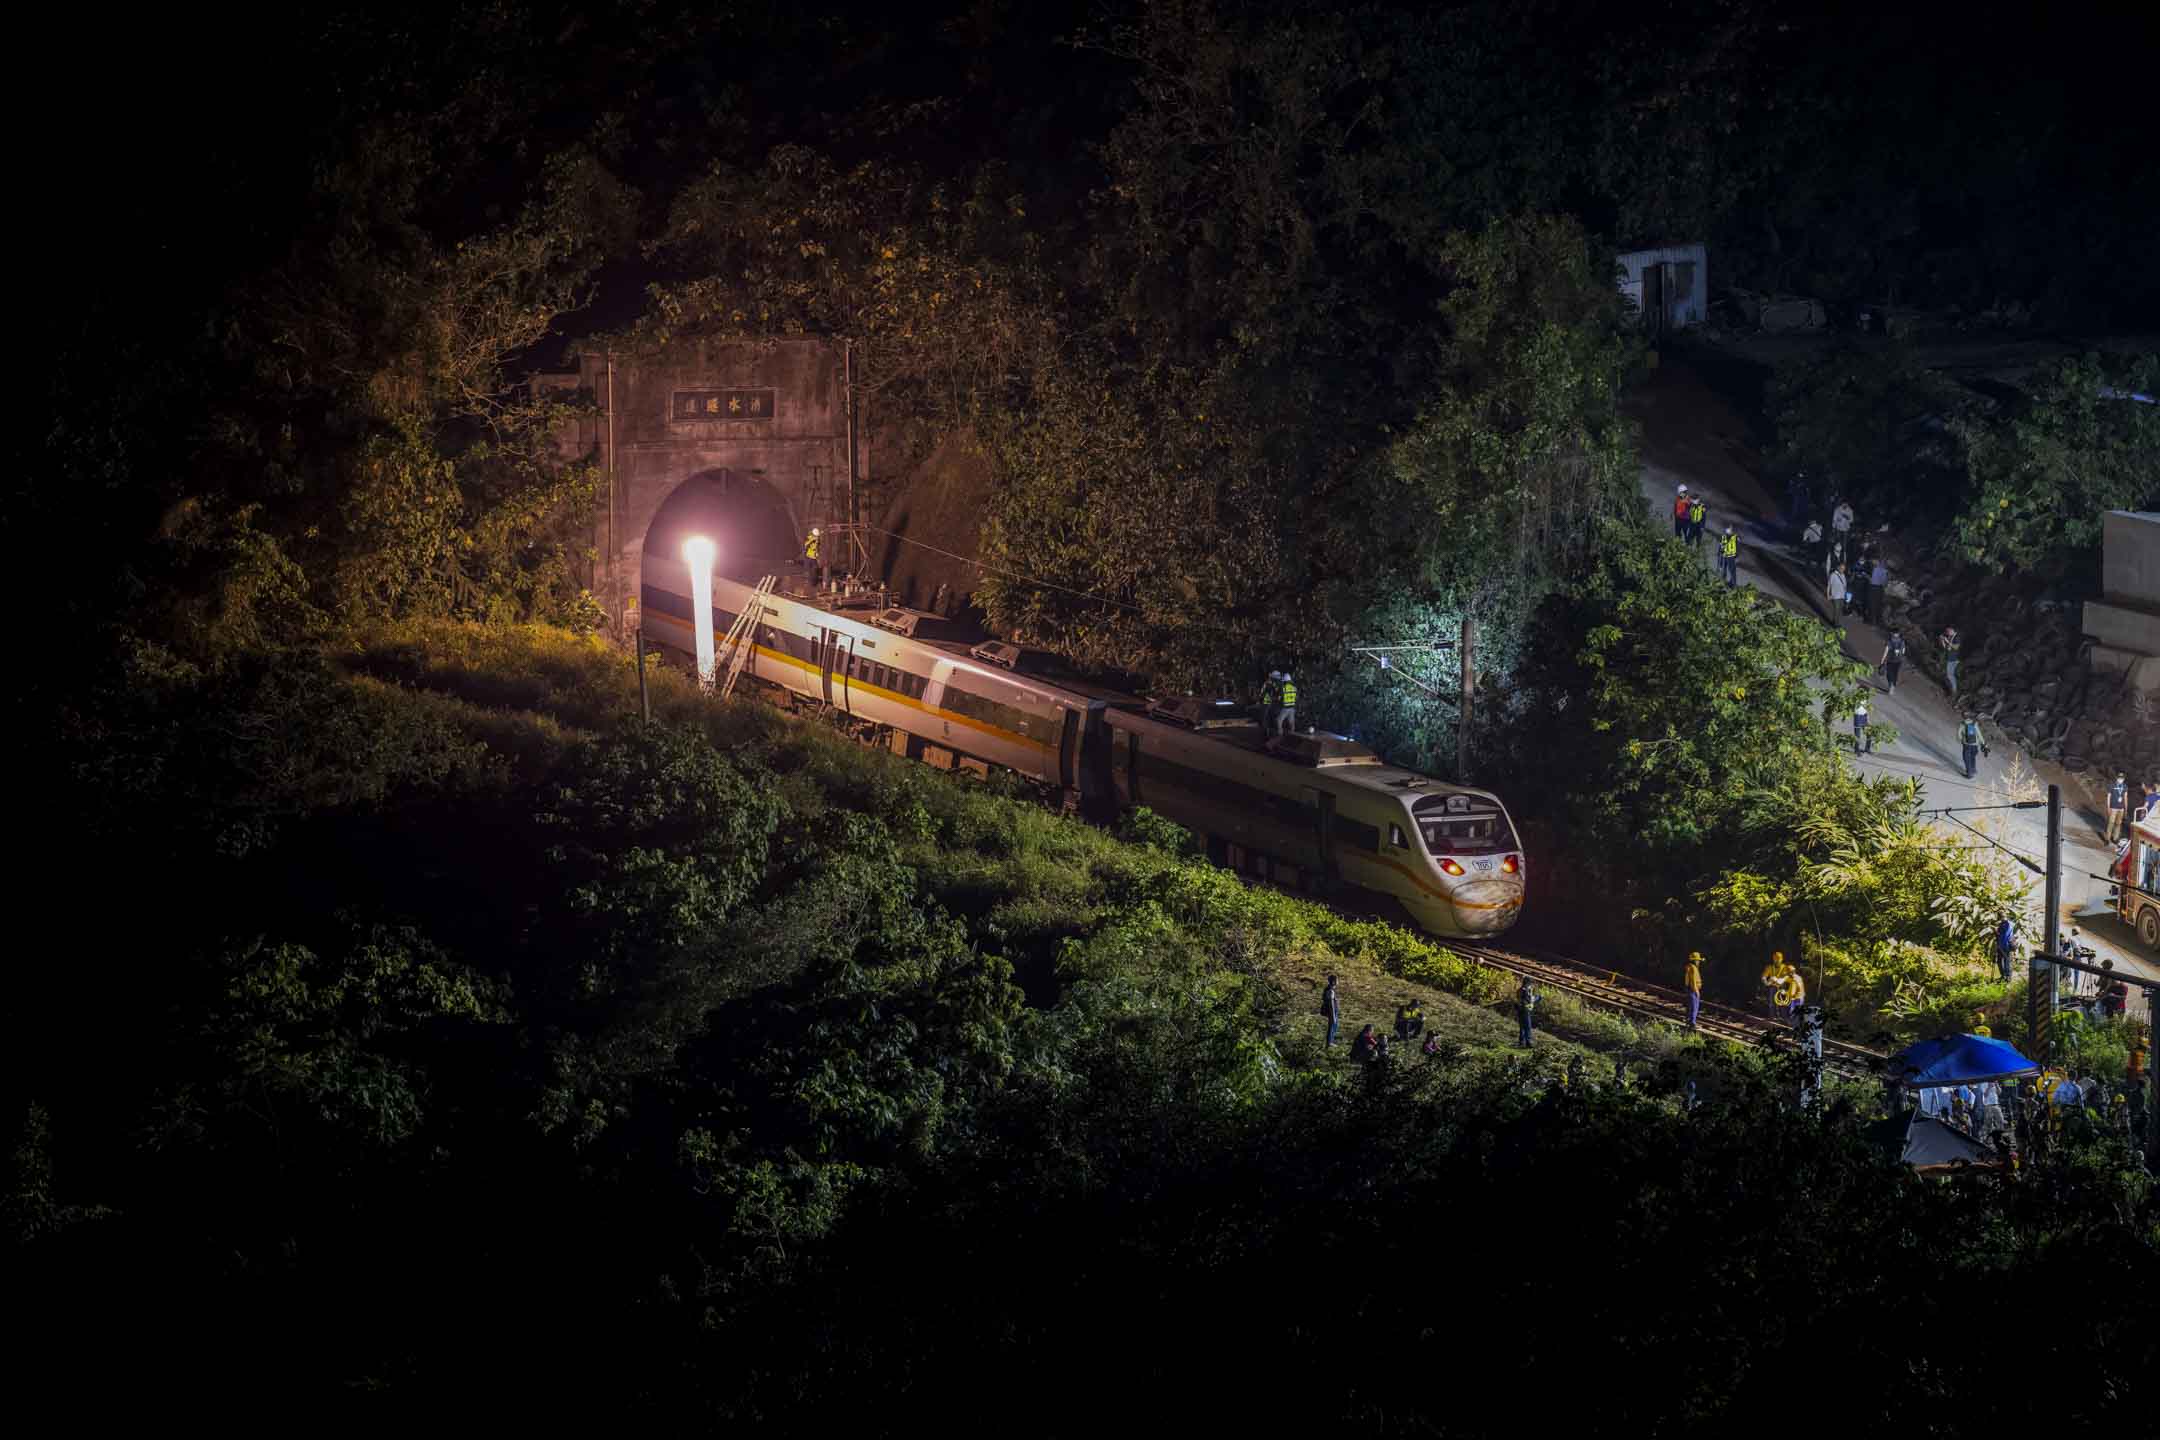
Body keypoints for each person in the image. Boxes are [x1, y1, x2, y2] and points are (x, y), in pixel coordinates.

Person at [1760, 951, 1796, 1020]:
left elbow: (1790, 975)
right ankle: (1772, 1017)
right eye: (1775, 959)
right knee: (1772, 1001)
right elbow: (1764, 976)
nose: (1776, 961)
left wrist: (1782, 979)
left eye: (1778, 959)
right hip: (1773, 987)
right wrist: (1766, 982)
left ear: (1781, 959)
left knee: (1782, 1003)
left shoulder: (1785, 967)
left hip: (1782, 988)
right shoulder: (1770, 967)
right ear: (1773, 959)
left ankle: (1784, 1017)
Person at [1958, 713, 1986, 780]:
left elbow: (1959, 734)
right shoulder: (1974, 723)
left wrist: (1962, 741)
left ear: (1963, 717)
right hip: (1975, 745)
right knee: (1972, 757)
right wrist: (1984, 743)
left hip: (1966, 744)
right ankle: (1973, 769)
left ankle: (1969, 774)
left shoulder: (1962, 724)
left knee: (1966, 758)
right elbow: (1979, 735)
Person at [1937, 625, 1962, 697]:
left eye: (1948, 631)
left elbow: (1956, 647)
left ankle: (1954, 691)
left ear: (1952, 630)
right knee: (1947, 673)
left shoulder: (1957, 637)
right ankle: (1949, 689)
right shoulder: (1950, 637)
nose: (1947, 633)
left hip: (1954, 659)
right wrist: (1942, 641)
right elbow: (1946, 648)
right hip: (1948, 657)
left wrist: (1947, 641)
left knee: (1950, 675)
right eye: (1946, 632)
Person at [1515, 979, 1539, 1047]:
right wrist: (1538, 998)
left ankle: (1521, 1042)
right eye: (1531, 984)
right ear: (1527, 983)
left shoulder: (1520, 990)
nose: (1531, 986)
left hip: (1520, 1010)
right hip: (1525, 1011)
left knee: (1522, 1027)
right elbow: (1530, 1000)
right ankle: (1528, 1042)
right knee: (1528, 1027)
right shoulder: (1525, 991)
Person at [2105, 772, 2129, 844]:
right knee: (2111, 823)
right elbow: (2108, 797)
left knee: (2118, 824)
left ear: (2124, 779)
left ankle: (2115, 838)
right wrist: (2108, 807)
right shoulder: (2111, 785)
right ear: (2116, 778)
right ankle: (2107, 839)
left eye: (2122, 778)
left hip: (2121, 809)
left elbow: (2125, 798)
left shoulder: (2125, 786)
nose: (2120, 779)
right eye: (2119, 778)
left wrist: (2126, 809)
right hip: (2113, 808)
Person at [1993, 915, 2017, 986]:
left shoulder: (2006, 924)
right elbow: (2000, 935)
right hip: (2002, 945)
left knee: (2006, 962)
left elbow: (2003, 935)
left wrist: (1996, 931)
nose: (2001, 919)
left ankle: (2007, 978)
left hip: (2005, 946)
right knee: (2000, 961)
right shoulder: (2006, 924)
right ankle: (2004, 976)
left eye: (2001, 917)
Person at [1683, 951, 1704, 1031]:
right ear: (1694, 961)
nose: (1699, 962)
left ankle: (1689, 1021)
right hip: (1692, 990)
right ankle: (1692, 1023)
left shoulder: (1689, 967)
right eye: (1698, 960)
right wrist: (1696, 991)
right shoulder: (1693, 968)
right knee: (1694, 1007)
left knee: (1690, 1006)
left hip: (1689, 989)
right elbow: (1693, 981)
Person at [1868, 554, 1889, 625]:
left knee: (1872, 604)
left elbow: (1873, 580)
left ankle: (1872, 621)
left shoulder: (1875, 569)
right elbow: (1884, 583)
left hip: (1873, 588)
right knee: (1877, 605)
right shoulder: (1884, 571)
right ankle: (1876, 621)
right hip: (1878, 589)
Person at [1321, 973, 1341, 1047]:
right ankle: (1329, 1043)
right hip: (1331, 1012)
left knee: (1334, 1026)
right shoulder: (1330, 990)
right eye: (1337, 980)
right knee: (1332, 1026)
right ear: (1333, 981)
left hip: (1332, 1011)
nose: (1338, 982)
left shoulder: (1330, 989)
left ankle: (1330, 1042)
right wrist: (1333, 1015)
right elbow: (1331, 1003)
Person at [1276, 672, 1297, 736]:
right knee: (1291, 723)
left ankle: (1280, 734)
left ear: (1284, 681)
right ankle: (1292, 735)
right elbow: (1295, 698)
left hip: (1285, 708)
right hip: (1292, 708)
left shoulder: (1283, 688)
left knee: (1279, 720)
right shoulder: (1294, 688)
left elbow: (1279, 698)